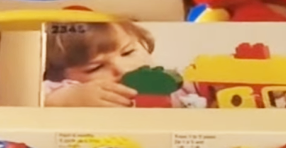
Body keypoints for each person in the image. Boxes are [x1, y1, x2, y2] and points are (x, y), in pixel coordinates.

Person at [43, 21, 204, 108]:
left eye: (128, 52)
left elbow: (204, 84)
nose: (124, 69)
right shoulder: (69, 92)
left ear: (143, 44)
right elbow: (36, 96)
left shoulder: (178, 83)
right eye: (96, 68)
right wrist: (68, 99)